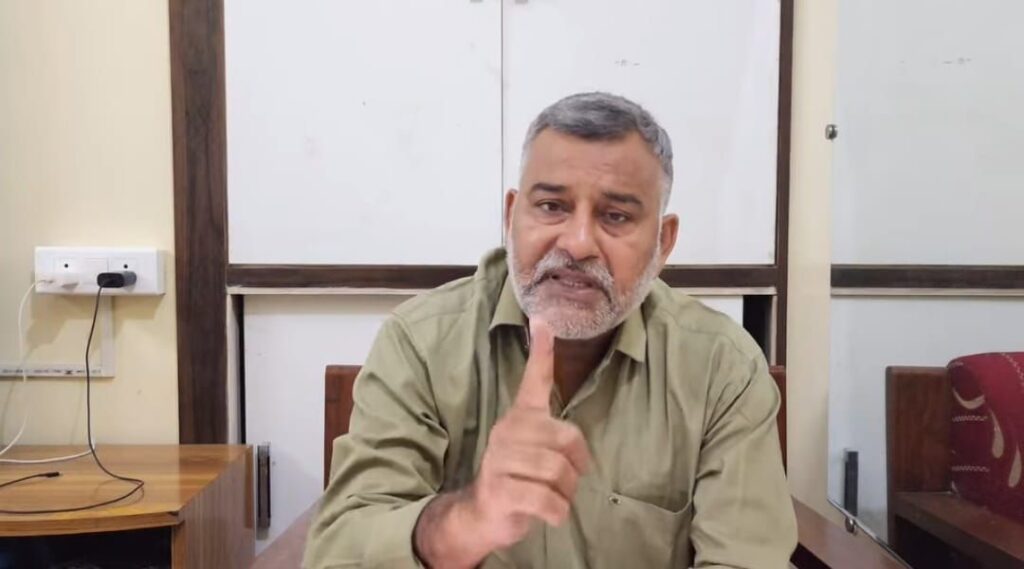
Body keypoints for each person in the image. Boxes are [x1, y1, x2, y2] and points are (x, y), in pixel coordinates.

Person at [304, 92, 796, 568]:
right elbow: (338, 552)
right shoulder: (421, 344)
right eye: (551, 206)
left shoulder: (720, 368)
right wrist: (466, 521)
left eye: (616, 216)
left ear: (663, 242)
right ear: (511, 215)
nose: (578, 244)